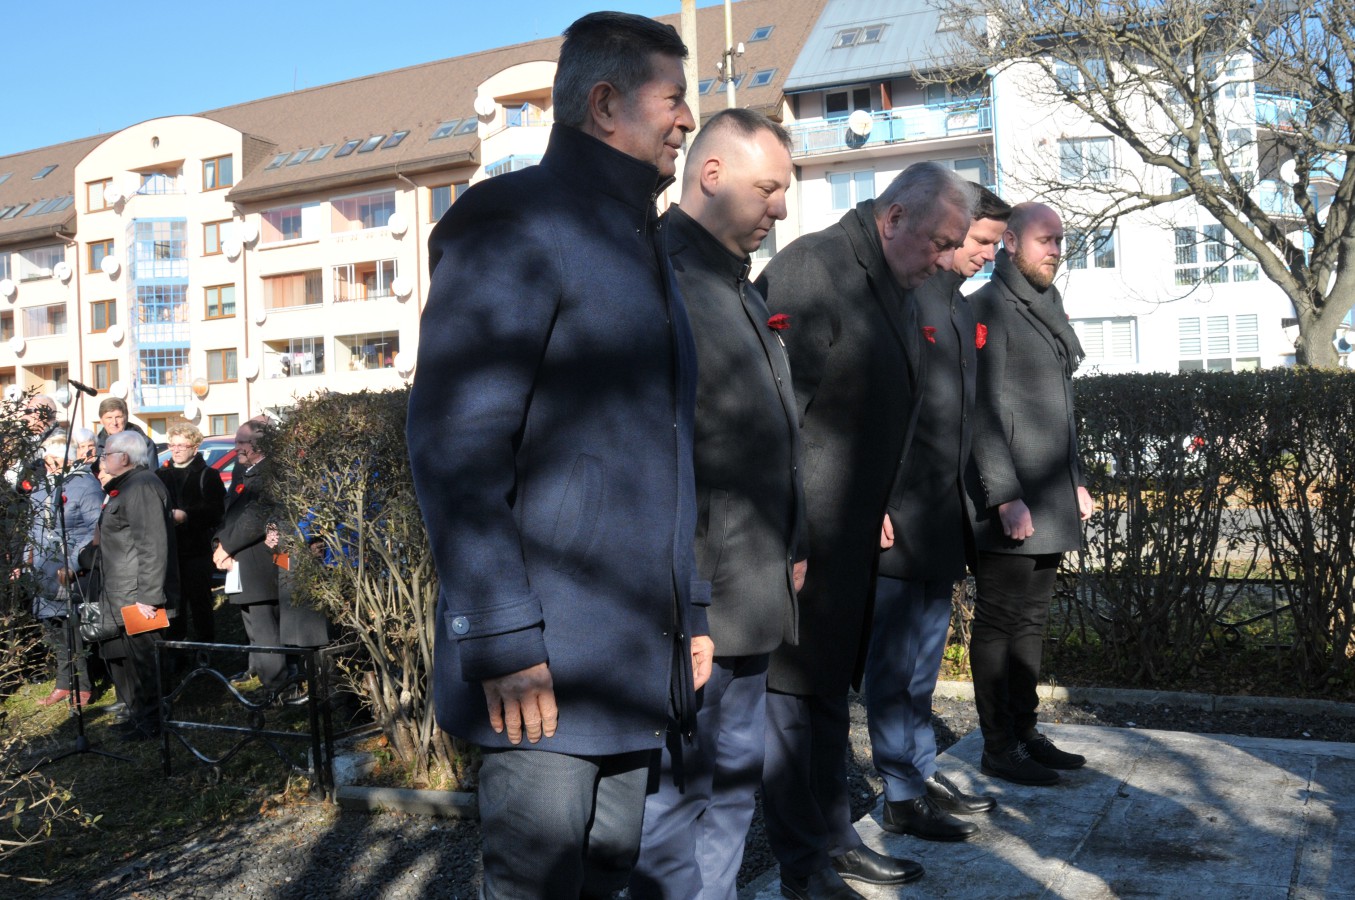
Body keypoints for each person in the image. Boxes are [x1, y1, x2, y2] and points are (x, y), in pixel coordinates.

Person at [405, 13, 709, 897]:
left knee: (606, 875)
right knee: (538, 885)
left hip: (630, 652)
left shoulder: (640, 241)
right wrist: (500, 634)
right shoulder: (514, 220)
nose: (686, 120)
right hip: (541, 665)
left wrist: (689, 609)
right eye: (673, 98)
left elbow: (661, 454)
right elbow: (456, 443)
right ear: (605, 104)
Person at [756, 161, 974, 900]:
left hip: (846, 537)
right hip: (802, 546)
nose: (945, 260)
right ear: (893, 218)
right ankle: (805, 866)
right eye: (939, 243)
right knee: (792, 707)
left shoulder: (893, 282)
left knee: (823, 701)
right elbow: (772, 420)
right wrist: (789, 537)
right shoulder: (814, 269)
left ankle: (834, 841)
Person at [629, 108, 803, 900]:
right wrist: (684, 605)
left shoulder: (734, 287)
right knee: (674, 802)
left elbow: (769, 436)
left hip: (750, 592)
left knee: (733, 787)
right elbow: (660, 459)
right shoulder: (658, 279)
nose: (780, 208)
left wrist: (792, 545)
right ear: (710, 175)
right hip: (695, 604)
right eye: (767, 189)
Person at [865, 187, 1011, 843]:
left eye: (991, 245)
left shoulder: (955, 305)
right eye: (977, 241)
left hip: (941, 517)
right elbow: (882, 411)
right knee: (894, 666)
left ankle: (919, 772)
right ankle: (899, 792)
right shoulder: (910, 297)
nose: (984, 255)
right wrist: (880, 499)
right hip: (901, 517)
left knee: (923, 662)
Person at [968, 202, 1095, 786]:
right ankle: (998, 746)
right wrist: (1003, 495)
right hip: (1012, 498)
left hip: (1050, 493)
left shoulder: (1048, 305)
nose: (1056, 250)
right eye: (1046, 240)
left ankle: (1025, 731)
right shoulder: (988, 307)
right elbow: (982, 412)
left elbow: (1061, 409)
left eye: (1060, 241)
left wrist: (1076, 479)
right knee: (1000, 622)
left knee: (1032, 622)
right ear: (1012, 243)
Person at [85, 430, 178, 740]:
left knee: (147, 661)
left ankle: (153, 722)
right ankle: (140, 716)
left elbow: (152, 544)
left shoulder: (141, 486)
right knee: (136, 662)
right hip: (124, 592)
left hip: (140, 596)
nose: (103, 459)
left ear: (123, 457)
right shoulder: (127, 486)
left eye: (106, 454)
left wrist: (149, 596)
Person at [28, 434, 102, 708]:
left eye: (55, 461)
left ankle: (83, 686)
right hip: (43, 569)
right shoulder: (40, 487)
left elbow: (95, 530)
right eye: (47, 461)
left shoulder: (85, 485)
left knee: (73, 628)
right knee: (53, 628)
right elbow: (33, 528)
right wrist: (26, 559)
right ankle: (63, 683)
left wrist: (73, 563)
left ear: (69, 460)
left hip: (68, 569)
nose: (50, 466)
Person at [213, 421, 285, 694]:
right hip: (240, 557)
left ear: (260, 445)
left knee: (265, 624)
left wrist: (227, 546)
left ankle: (276, 684)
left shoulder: (270, 472)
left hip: (260, 560)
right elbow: (230, 511)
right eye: (236, 441)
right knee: (251, 620)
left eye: (242, 442)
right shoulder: (244, 469)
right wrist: (220, 544)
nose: (236, 448)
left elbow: (256, 518)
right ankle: (258, 668)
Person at [157, 423, 226, 644]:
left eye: (182, 445)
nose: (175, 450)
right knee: (173, 606)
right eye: (172, 445)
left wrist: (187, 515)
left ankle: (205, 650)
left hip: (196, 551)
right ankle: (176, 652)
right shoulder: (160, 474)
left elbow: (216, 512)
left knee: (200, 605)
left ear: (195, 447)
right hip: (169, 551)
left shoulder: (208, 475)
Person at [93, 397, 157, 470]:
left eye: (118, 417)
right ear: (101, 421)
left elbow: (151, 474)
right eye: (109, 418)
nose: (114, 422)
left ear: (126, 418)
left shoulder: (144, 443)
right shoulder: (96, 445)